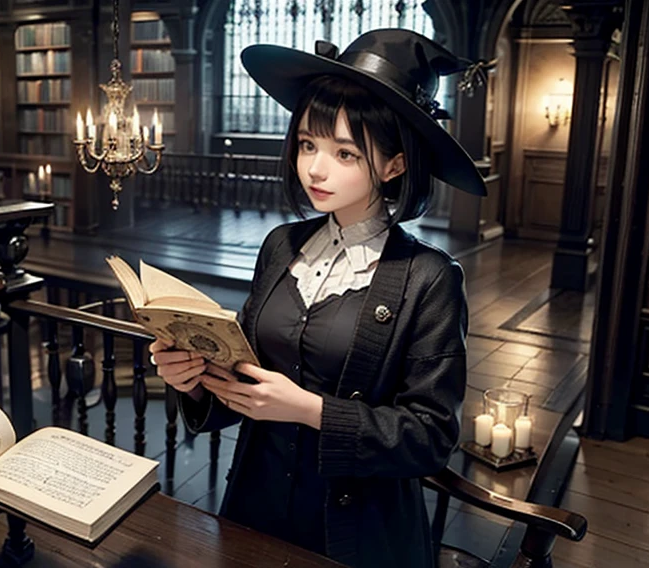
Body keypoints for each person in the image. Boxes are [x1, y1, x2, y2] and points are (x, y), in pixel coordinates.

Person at [149, 29, 487, 568]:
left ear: (395, 165)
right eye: (308, 144)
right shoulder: (281, 246)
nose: (315, 168)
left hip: (359, 529)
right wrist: (193, 377)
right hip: (254, 505)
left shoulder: (429, 278)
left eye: (344, 152)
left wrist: (311, 412)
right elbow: (247, 373)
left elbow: (430, 436)